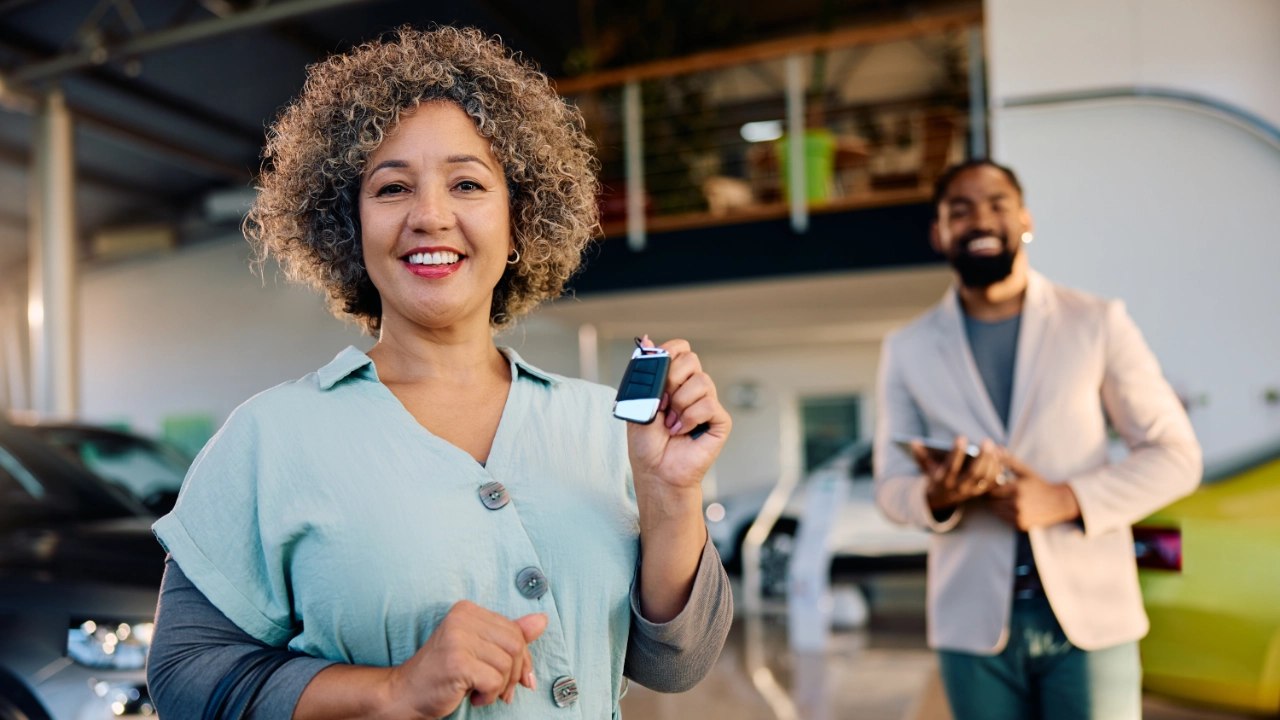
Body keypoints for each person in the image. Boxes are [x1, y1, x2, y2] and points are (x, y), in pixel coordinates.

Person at [145, 27, 734, 719]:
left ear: (519, 219)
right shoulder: (268, 439)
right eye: (392, 187)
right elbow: (186, 676)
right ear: (348, 223)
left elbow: (677, 663)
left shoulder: (605, 424)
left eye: (466, 183)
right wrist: (391, 690)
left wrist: (669, 496)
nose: (430, 216)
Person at [873, 159, 1202, 720]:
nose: (980, 218)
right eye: (960, 209)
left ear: (1024, 219)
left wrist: (1067, 498)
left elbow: (1176, 456)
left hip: (1091, 621)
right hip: (971, 627)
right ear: (938, 233)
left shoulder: (1096, 321)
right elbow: (890, 485)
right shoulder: (907, 347)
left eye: (997, 204)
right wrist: (938, 497)